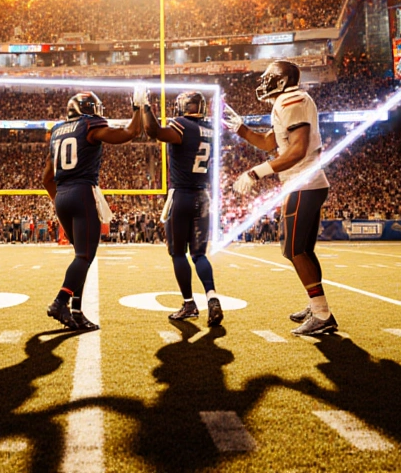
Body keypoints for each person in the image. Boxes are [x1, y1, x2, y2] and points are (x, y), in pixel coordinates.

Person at [225, 60, 338, 337]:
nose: (263, 82)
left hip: (303, 183)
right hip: (305, 183)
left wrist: (256, 172)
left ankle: (322, 313)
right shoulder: (287, 102)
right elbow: (268, 143)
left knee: (294, 249)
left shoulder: (293, 100)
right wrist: (242, 129)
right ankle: (317, 306)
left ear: (282, 79)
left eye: (268, 77)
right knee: (303, 249)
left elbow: (298, 150)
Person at [42, 89, 146, 331]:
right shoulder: (90, 126)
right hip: (81, 192)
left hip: (62, 196)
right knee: (84, 256)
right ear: (88, 110)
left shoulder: (57, 131)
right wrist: (137, 109)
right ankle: (60, 302)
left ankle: (76, 313)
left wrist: (61, 201)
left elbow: (46, 178)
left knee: (81, 256)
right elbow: (131, 132)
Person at [142, 90, 223, 326]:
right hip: (203, 196)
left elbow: (153, 131)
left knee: (178, 253)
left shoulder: (181, 125)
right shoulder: (210, 129)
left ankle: (189, 303)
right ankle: (212, 297)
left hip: (182, 195)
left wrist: (146, 107)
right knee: (199, 255)